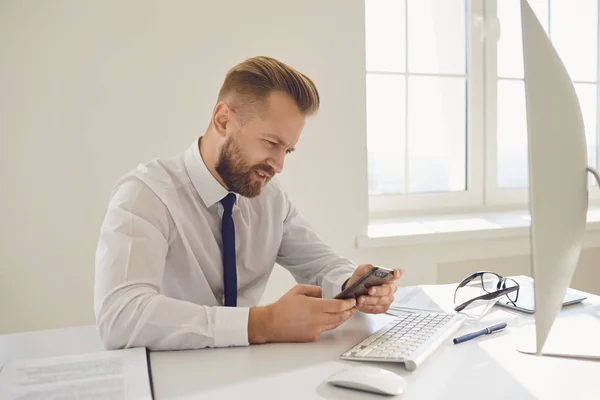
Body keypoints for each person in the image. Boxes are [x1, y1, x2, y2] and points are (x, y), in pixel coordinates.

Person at [94, 56, 403, 351]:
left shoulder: (269, 197)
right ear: (223, 120)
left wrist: (355, 283)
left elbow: (321, 264)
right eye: (270, 143)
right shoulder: (145, 195)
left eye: (288, 150)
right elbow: (120, 316)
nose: (279, 164)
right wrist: (263, 323)